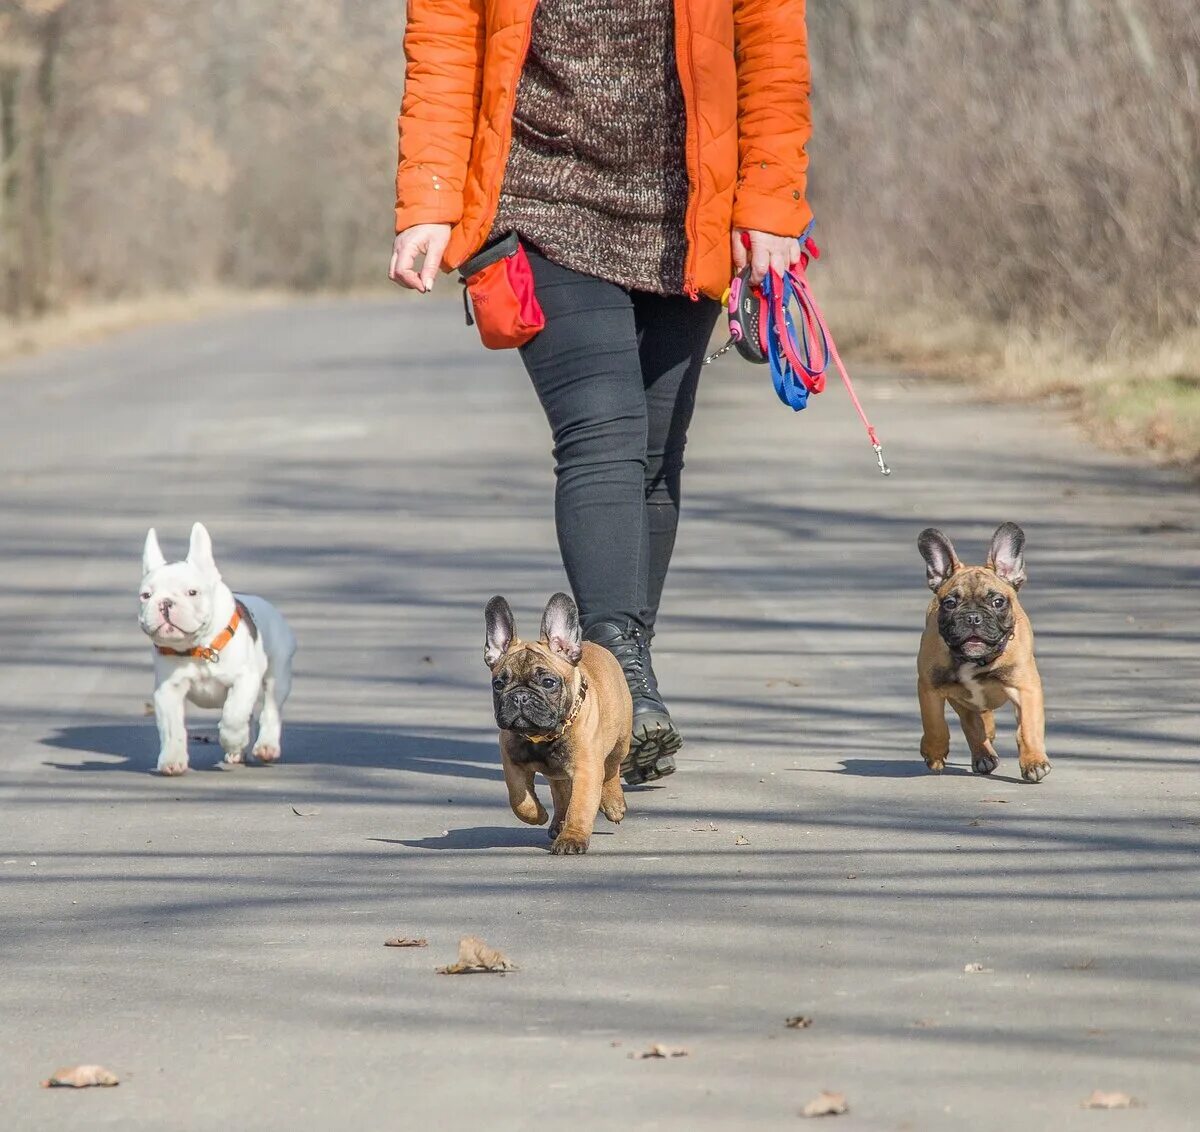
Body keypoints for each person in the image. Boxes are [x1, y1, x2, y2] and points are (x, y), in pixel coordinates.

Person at [390, 0, 813, 785]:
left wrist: (769, 204)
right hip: (538, 198)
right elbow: (445, 46)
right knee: (602, 432)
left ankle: (618, 697)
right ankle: (624, 671)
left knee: (655, 455)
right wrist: (429, 197)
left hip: (688, 210)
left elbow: (772, 54)